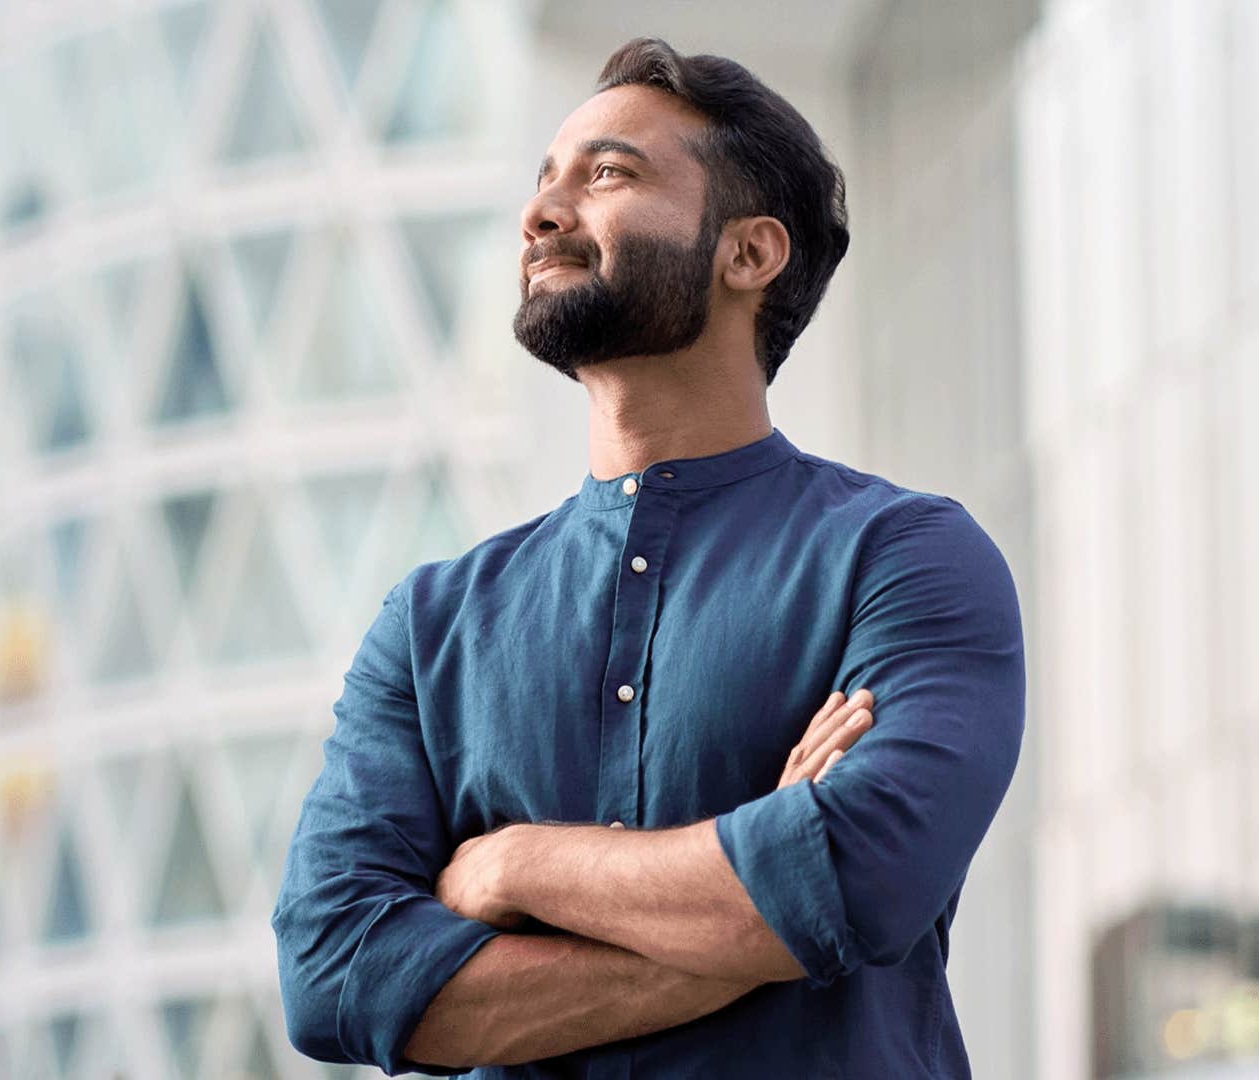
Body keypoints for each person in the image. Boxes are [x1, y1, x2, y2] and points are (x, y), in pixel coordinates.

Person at [270, 36, 1024, 1079]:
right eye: (543, 182)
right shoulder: (431, 623)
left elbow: (864, 872)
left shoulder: (905, 558)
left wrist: (513, 863)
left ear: (749, 254)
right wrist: (756, 910)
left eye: (608, 174)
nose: (542, 213)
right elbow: (336, 973)